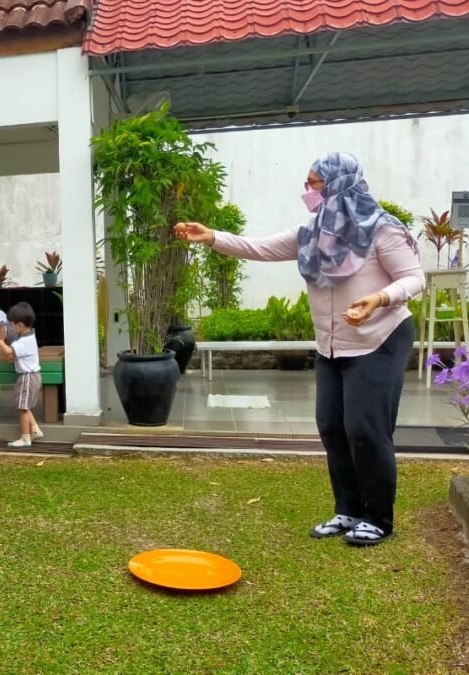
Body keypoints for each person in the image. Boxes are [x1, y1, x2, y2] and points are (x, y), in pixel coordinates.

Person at [175, 151, 425, 546]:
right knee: (331, 426)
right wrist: (212, 238)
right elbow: (261, 247)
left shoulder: (381, 230)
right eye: (307, 184)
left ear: (340, 183)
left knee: (365, 428)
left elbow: (414, 278)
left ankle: (377, 517)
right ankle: (347, 510)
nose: (308, 191)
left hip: (380, 339)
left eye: (315, 184)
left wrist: (379, 298)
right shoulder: (313, 233)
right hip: (332, 345)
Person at [0, 302, 44, 448]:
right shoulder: (27, 336)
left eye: (11, 325)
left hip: (27, 377)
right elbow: (12, 356)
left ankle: (25, 438)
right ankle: (34, 430)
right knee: (25, 406)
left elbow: (9, 352)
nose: (10, 328)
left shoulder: (24, 341)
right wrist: (4, 347)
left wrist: (1, 342)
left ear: (20, 325)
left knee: (22, 407)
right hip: (31, 376)